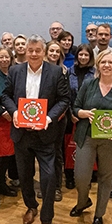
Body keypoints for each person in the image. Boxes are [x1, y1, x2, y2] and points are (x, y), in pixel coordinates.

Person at [2, 34, 72, 224]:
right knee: (24, 176)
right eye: (30, 50)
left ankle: (47, 219)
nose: (33, 54)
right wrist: (14, 112)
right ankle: (31, 206)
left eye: (37, 50)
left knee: (49, 178)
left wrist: (49, 118)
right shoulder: (15, 71)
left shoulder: (56, 72)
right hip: (22, 134)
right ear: (24, 51)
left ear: (44, 51)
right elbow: (5, 95)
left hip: (46, 134)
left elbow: (64, 99)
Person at [70, 50, 112, 224]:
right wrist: (84, 113)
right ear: (98, 65)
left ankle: (99, 215)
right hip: (87, 136)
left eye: (110, 62)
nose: (106, 65)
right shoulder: (89, 84)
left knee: (106, 178)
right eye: (103, 62)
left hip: (110, 140)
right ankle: (83, 202)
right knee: (81, 177)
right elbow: (76, 107)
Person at [66, 43, 95, 191]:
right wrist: (71, 113)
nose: (83, 57)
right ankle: (69, 176)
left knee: (87, 148)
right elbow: (65, 95)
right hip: (71, 117)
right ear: (76, 56)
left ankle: (88, 177)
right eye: (80, 54)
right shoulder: (69, 72)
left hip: (90, 116)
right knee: (69, 147)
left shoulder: (96, 73)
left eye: (86, 55)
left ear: (90, 57)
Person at [0, 47, 19, 198]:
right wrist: (2, 111)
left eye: (6, 57)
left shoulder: (16, 74)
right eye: (1, 57)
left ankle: (3, 184)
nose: (4, 60)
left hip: (13, 120)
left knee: (9, 154)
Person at [44, 40, 68, 201]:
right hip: (39, 119)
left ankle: (57, 187)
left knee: (56, 153)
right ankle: (44, 186)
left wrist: (54, 117)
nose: (54, 54)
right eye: (51, 51)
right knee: (43, 153)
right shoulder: (40, 71)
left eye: (57, 51)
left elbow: (65, 98)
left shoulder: (64, 71)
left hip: (58, 119)